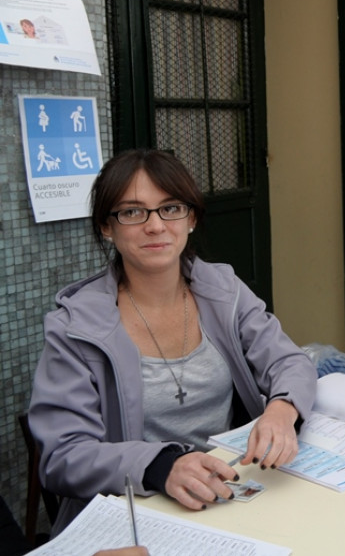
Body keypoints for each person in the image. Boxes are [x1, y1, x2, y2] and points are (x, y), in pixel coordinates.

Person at [28, 149, 317, 535]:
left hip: (231, 496)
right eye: (132, 211)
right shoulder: (76, 327)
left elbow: (289, 361)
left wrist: (282, 410)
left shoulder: (223, 290)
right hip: (135, 515)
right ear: (106, 227)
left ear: (191, 218)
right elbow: (62, 456)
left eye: (170, 208)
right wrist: (160, 466)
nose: (155, 226)